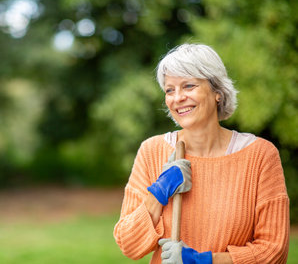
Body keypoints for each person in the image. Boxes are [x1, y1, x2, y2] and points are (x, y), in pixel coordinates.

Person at [113, 43, 289, 263]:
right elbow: (129, 245)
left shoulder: (259, 155)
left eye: (188, 86)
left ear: (217, 91)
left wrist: (204, 260)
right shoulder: (153, 151)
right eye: (170, 90)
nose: (177, 98)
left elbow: (274, 251)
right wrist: (159, 191)